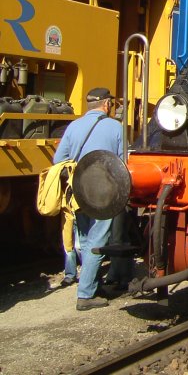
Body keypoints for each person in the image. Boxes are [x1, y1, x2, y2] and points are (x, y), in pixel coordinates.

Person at [52, 87, 123, 311]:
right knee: (97, 240)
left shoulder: (74, 126)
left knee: (83, 238)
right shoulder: (115, 127)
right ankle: (85, 295)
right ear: (106, 104)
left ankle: (91, 283)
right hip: (104, 192)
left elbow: (58, 159)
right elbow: (123, 164)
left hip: (79, 191)